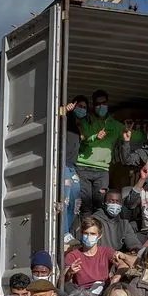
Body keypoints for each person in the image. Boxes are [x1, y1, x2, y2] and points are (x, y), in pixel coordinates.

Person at [76, 89, 124, 213]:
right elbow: (83, 139)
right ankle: (85, 231)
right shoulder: (87, 120)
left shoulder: (115, 125)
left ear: (108, 104)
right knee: (84, 205)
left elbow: (132, 134)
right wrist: (95, 137)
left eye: (103, 103)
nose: (100, 106)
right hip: (83, 167)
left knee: (101, 205)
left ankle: (98, 231)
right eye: (97, 104)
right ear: (93, 105)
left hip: (102, 170)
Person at [72, 189, 141, 253]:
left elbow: (134, 244)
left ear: (121, 204)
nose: (115, 204)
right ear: (104, 203)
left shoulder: (124, 224)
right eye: (111, 201)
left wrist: (134, 251)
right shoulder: (94, 221)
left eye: (117, 202)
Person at [64, 214, 117, 293]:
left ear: (99, 235)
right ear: (81, 234)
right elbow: (62, 282)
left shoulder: (106, 252)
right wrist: (69, 272)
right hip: (81, 295)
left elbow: (124, 263)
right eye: (86, 233)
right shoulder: (73, 256)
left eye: (92, 234)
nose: (89, 236)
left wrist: (116, 277)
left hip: (102, 292)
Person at [62, 95, 87, 234]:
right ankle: (63, 233)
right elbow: (52, 116)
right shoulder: (64, 121)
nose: (82, 110)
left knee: (75, 202)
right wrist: (65, 110)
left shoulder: (78, 128)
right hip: (63, 166)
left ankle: (68, 232)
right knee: (64, 201)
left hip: (72, 168)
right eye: (79, 106)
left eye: (84, 108)